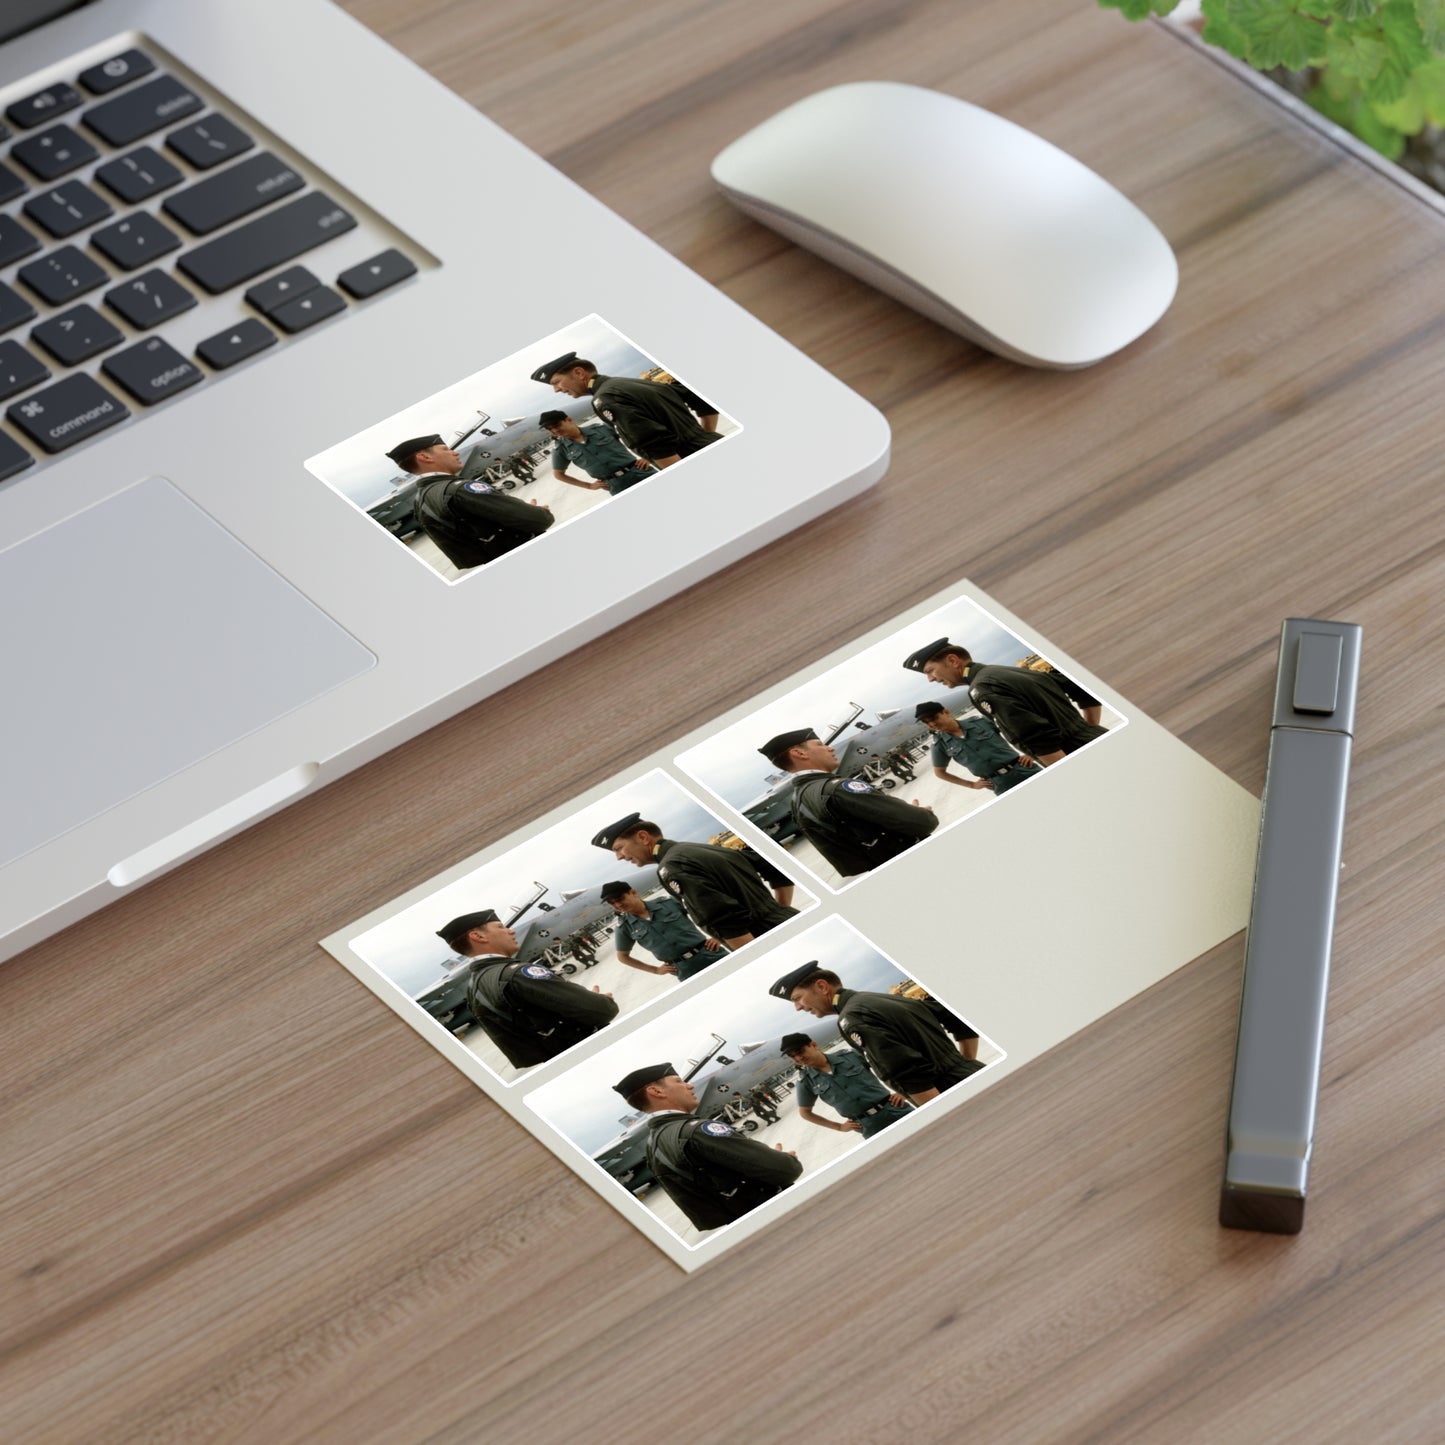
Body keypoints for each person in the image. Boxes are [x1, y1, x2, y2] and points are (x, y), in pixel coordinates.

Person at [614, 1063, 802, 1230]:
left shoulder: (653, 1145)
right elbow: (786, 1170)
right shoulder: (697, 1131)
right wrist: (782, 1160)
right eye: (679, 1081)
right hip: (778, 1214)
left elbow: (704, 1217)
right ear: (656, 1091)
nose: (690, 1085)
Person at [770, 961, 985, 1105]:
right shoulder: (879, 998)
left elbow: (907, 1071)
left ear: (822, 986)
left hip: (951, 1094)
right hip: (972, 1074)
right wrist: (959, 1064)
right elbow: (958, 1021)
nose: (798, 1007)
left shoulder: (852, 1018)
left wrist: (945, 1111)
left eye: (798, 998)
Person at [436, 909, 617, 1068]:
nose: (511, 931)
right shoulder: (517, 973)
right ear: (478, 936)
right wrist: (599, 1001)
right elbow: (602, 1011)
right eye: (501, 927)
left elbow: (521, 1054)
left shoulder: (474, 987)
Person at [592, 813, 796, 948]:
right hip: (785, 920)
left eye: (619, 848)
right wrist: (776, 909)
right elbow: (773, 867)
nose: (619, 857)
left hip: (765, 938)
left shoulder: (672, 867)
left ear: (644, 837)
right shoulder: (697, 848)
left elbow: (723, 918)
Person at [758, 727, 937, 877]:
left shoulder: (798, 801)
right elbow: (923, 822)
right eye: (820, 745)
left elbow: (846, 863)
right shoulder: (839, 788)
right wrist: (919, 814)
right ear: (799, 753)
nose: (830, 748)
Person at [902, 636, 1107, 764]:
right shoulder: (1003, 670)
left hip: (1078, 757)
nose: (930, 679)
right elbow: (1083, 692)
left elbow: (1036, 737)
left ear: (953, 661)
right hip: (1095, 738)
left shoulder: (982, 689)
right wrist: (1083, 730)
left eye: (930, 671)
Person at [384, 433, 553, 570]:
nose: (455, 452)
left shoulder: (421, 500)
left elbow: (463, 558)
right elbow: (539, 520)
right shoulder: (461, 489)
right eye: (445, 449)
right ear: (424, 457)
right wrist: (536, 512)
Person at [530, 351, 720, 467]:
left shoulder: (606, 398)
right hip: (710, 444)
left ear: (579, 373)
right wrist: (702, 436)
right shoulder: (627, 382)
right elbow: (701, 401)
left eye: (556, 382)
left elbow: (655, 444)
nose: (556, 390)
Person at [780, 1032, 912, 1138]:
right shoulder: (806, 1082)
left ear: (814, 1045)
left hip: (895, 1109)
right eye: (792, 1057)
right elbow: (805, 1113)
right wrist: (838, 1127)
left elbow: (886, 1066)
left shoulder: (851, 1056)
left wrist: (902, 1091)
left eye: (800, 1051)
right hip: (869, 1127)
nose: (798, 1058)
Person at [599, 880, 727, 982]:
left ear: (633, 892)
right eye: (612, 903)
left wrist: (717, 936)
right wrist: (655, 970)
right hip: (684, 970)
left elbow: (704, 911)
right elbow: (623, 957)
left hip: (711, 954)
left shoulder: (669, 903)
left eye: (620, 898)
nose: (618, 905)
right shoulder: (624, 927)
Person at [913, 699, 1037, 795]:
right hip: (1000, 784)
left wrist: (1030, 752)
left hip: (1025, 769)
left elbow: (1015, 730)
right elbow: (940, 773)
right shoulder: (939, 745)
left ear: (946, 712)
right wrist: (971, 785)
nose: (932, 724)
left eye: (934, 718)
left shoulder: (981, 722)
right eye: (927, 722)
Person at [539, 410, 657, 495]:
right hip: (616, 486)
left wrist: (646, 456)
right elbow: (558, 475)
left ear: (569, 420)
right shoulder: (560, 449)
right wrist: (588, 486)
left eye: (557, 425)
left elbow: (633, 435)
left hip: (640, 472)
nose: (555, 430)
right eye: (549, 429)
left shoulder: (602, 429)